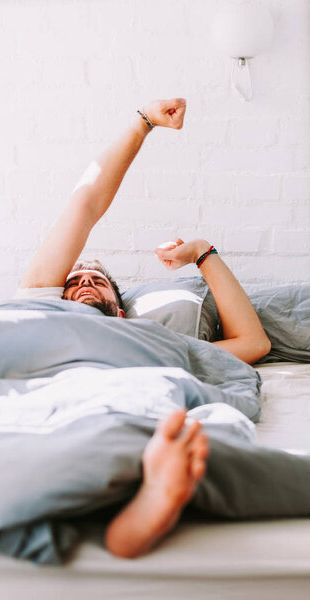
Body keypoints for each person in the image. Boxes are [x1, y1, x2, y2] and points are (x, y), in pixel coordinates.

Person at [15, 98, 272, 558]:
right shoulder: (40, 308)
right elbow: (86, 202)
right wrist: (143, 122)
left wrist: (202, 253)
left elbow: (253, 343)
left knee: (198, 421)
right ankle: (126, 501)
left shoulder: (154, 341)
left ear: (119, 311)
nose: (86, 282)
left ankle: (137, 494)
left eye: (97, 280)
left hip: (138, 387)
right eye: (76, 281)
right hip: (65, 395)